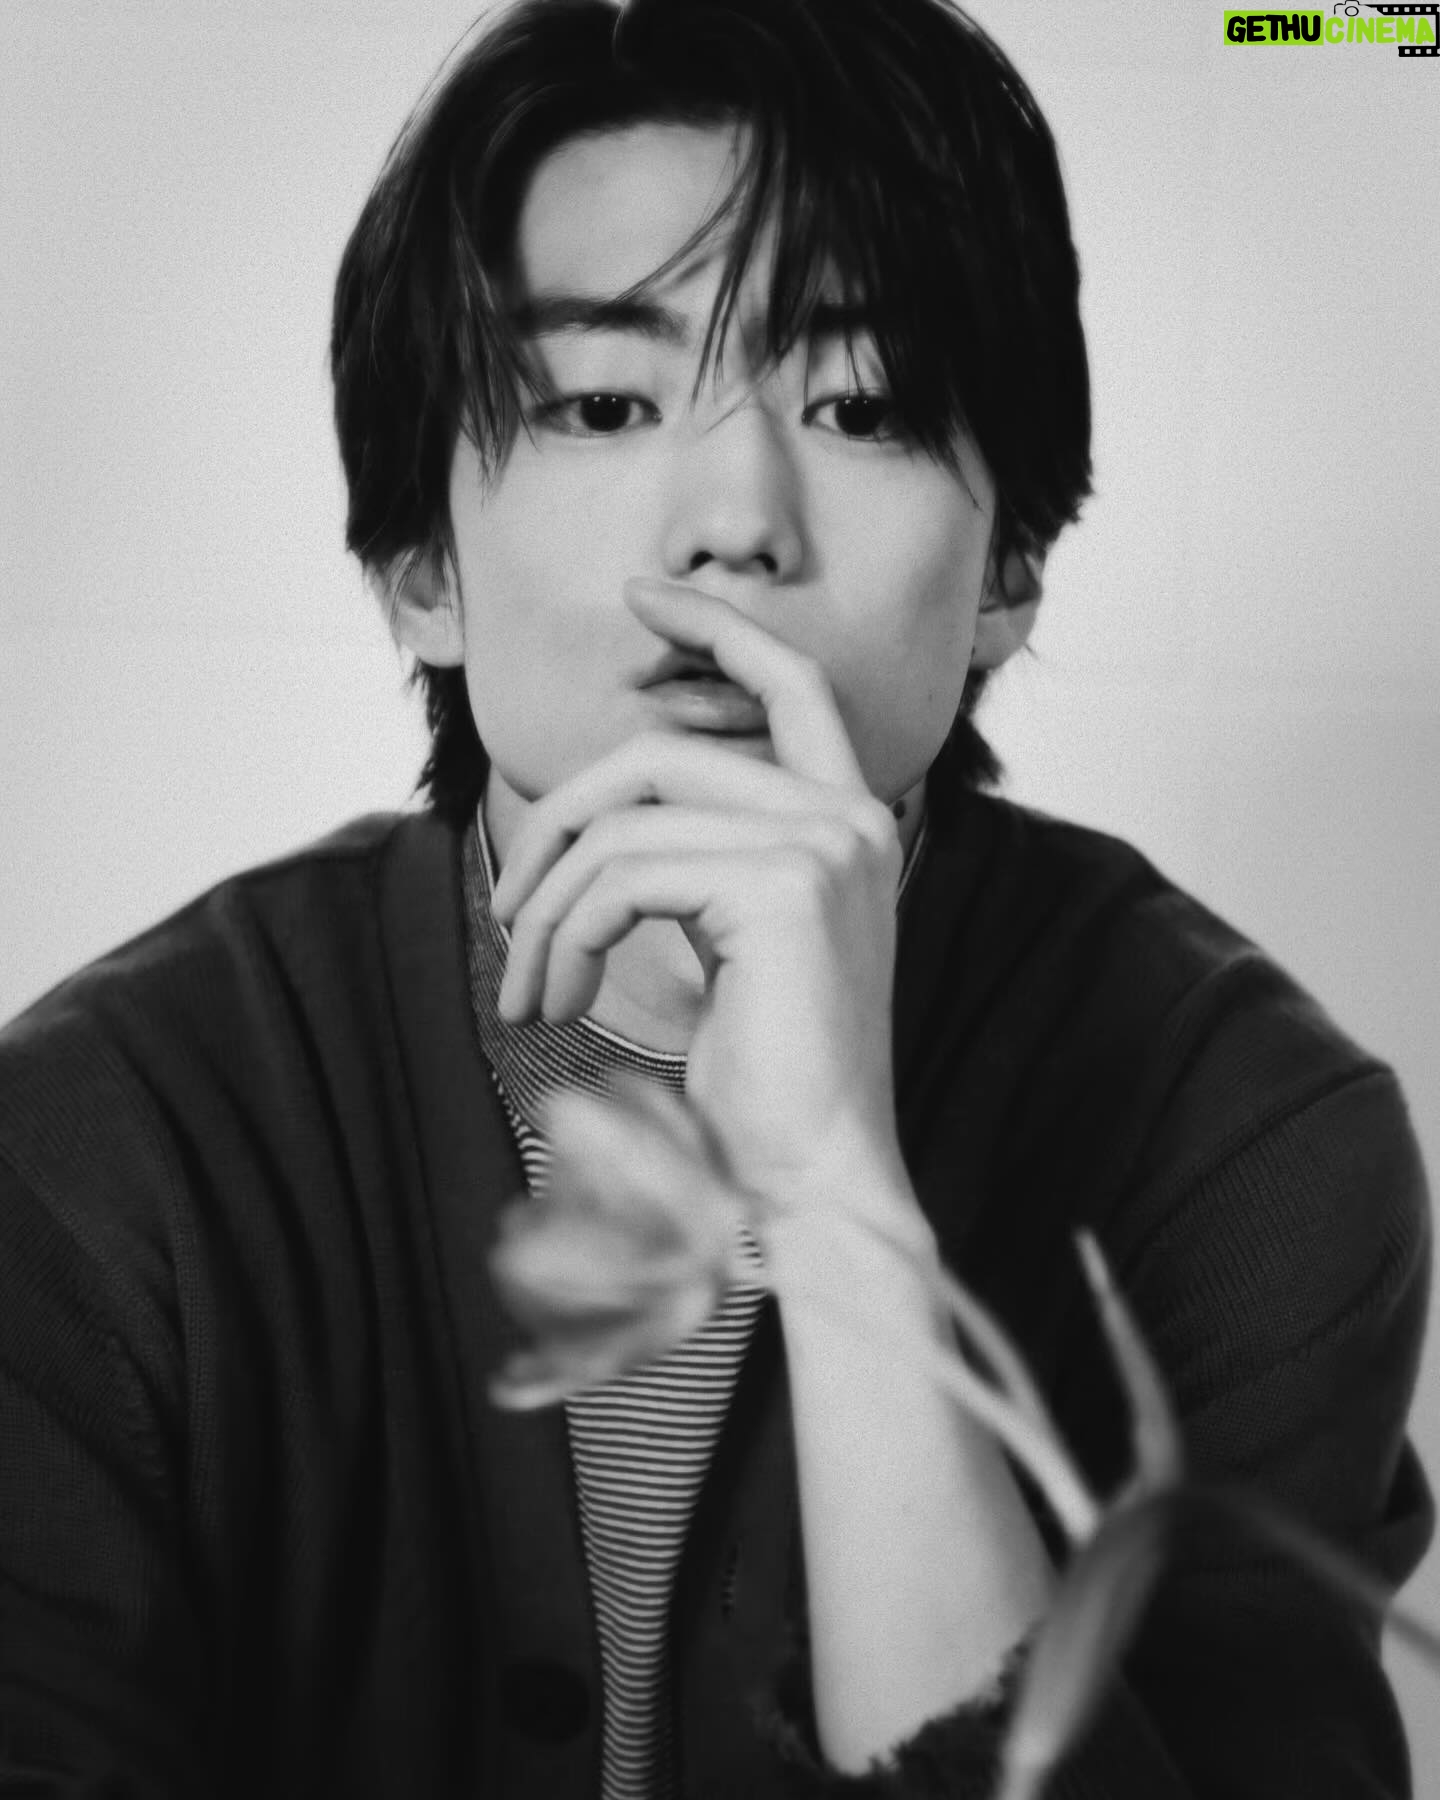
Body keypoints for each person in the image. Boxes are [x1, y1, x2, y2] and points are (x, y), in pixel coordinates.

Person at [0, 0, 1430, 1794]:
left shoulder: (1257, 1146)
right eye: (604, 403)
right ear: (424, 566)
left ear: (1010, 567)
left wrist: (836, 1193)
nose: (735, 522)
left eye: (864, 406)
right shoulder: (101, 1148)